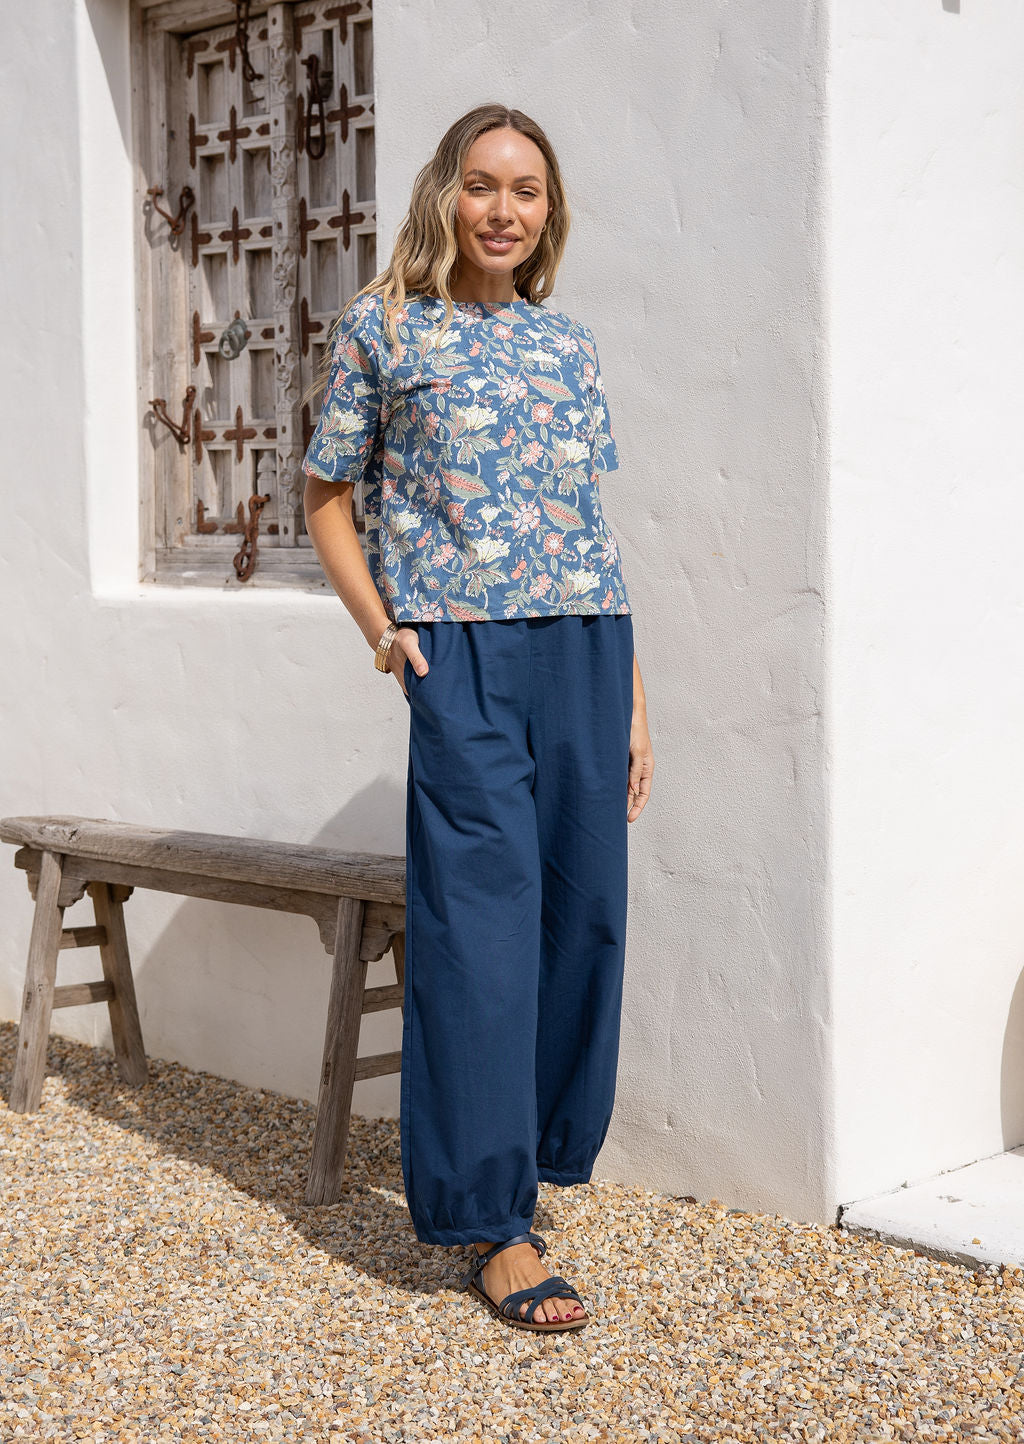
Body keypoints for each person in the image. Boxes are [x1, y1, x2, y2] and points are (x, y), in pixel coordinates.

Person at [302, 102, 654, 1334]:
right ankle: (493, 1222)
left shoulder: (569, 346)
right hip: (457, 649)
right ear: (443, 192)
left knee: (583, 915)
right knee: (477, 930)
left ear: (549, 213)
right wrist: (381, 628)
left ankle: (540, 1156)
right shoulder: (383, 327)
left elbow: (587, 525)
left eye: (529, 191)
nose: (505, 209)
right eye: (483, 184)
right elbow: (325, 493)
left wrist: (633, 701)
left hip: (585, 646)